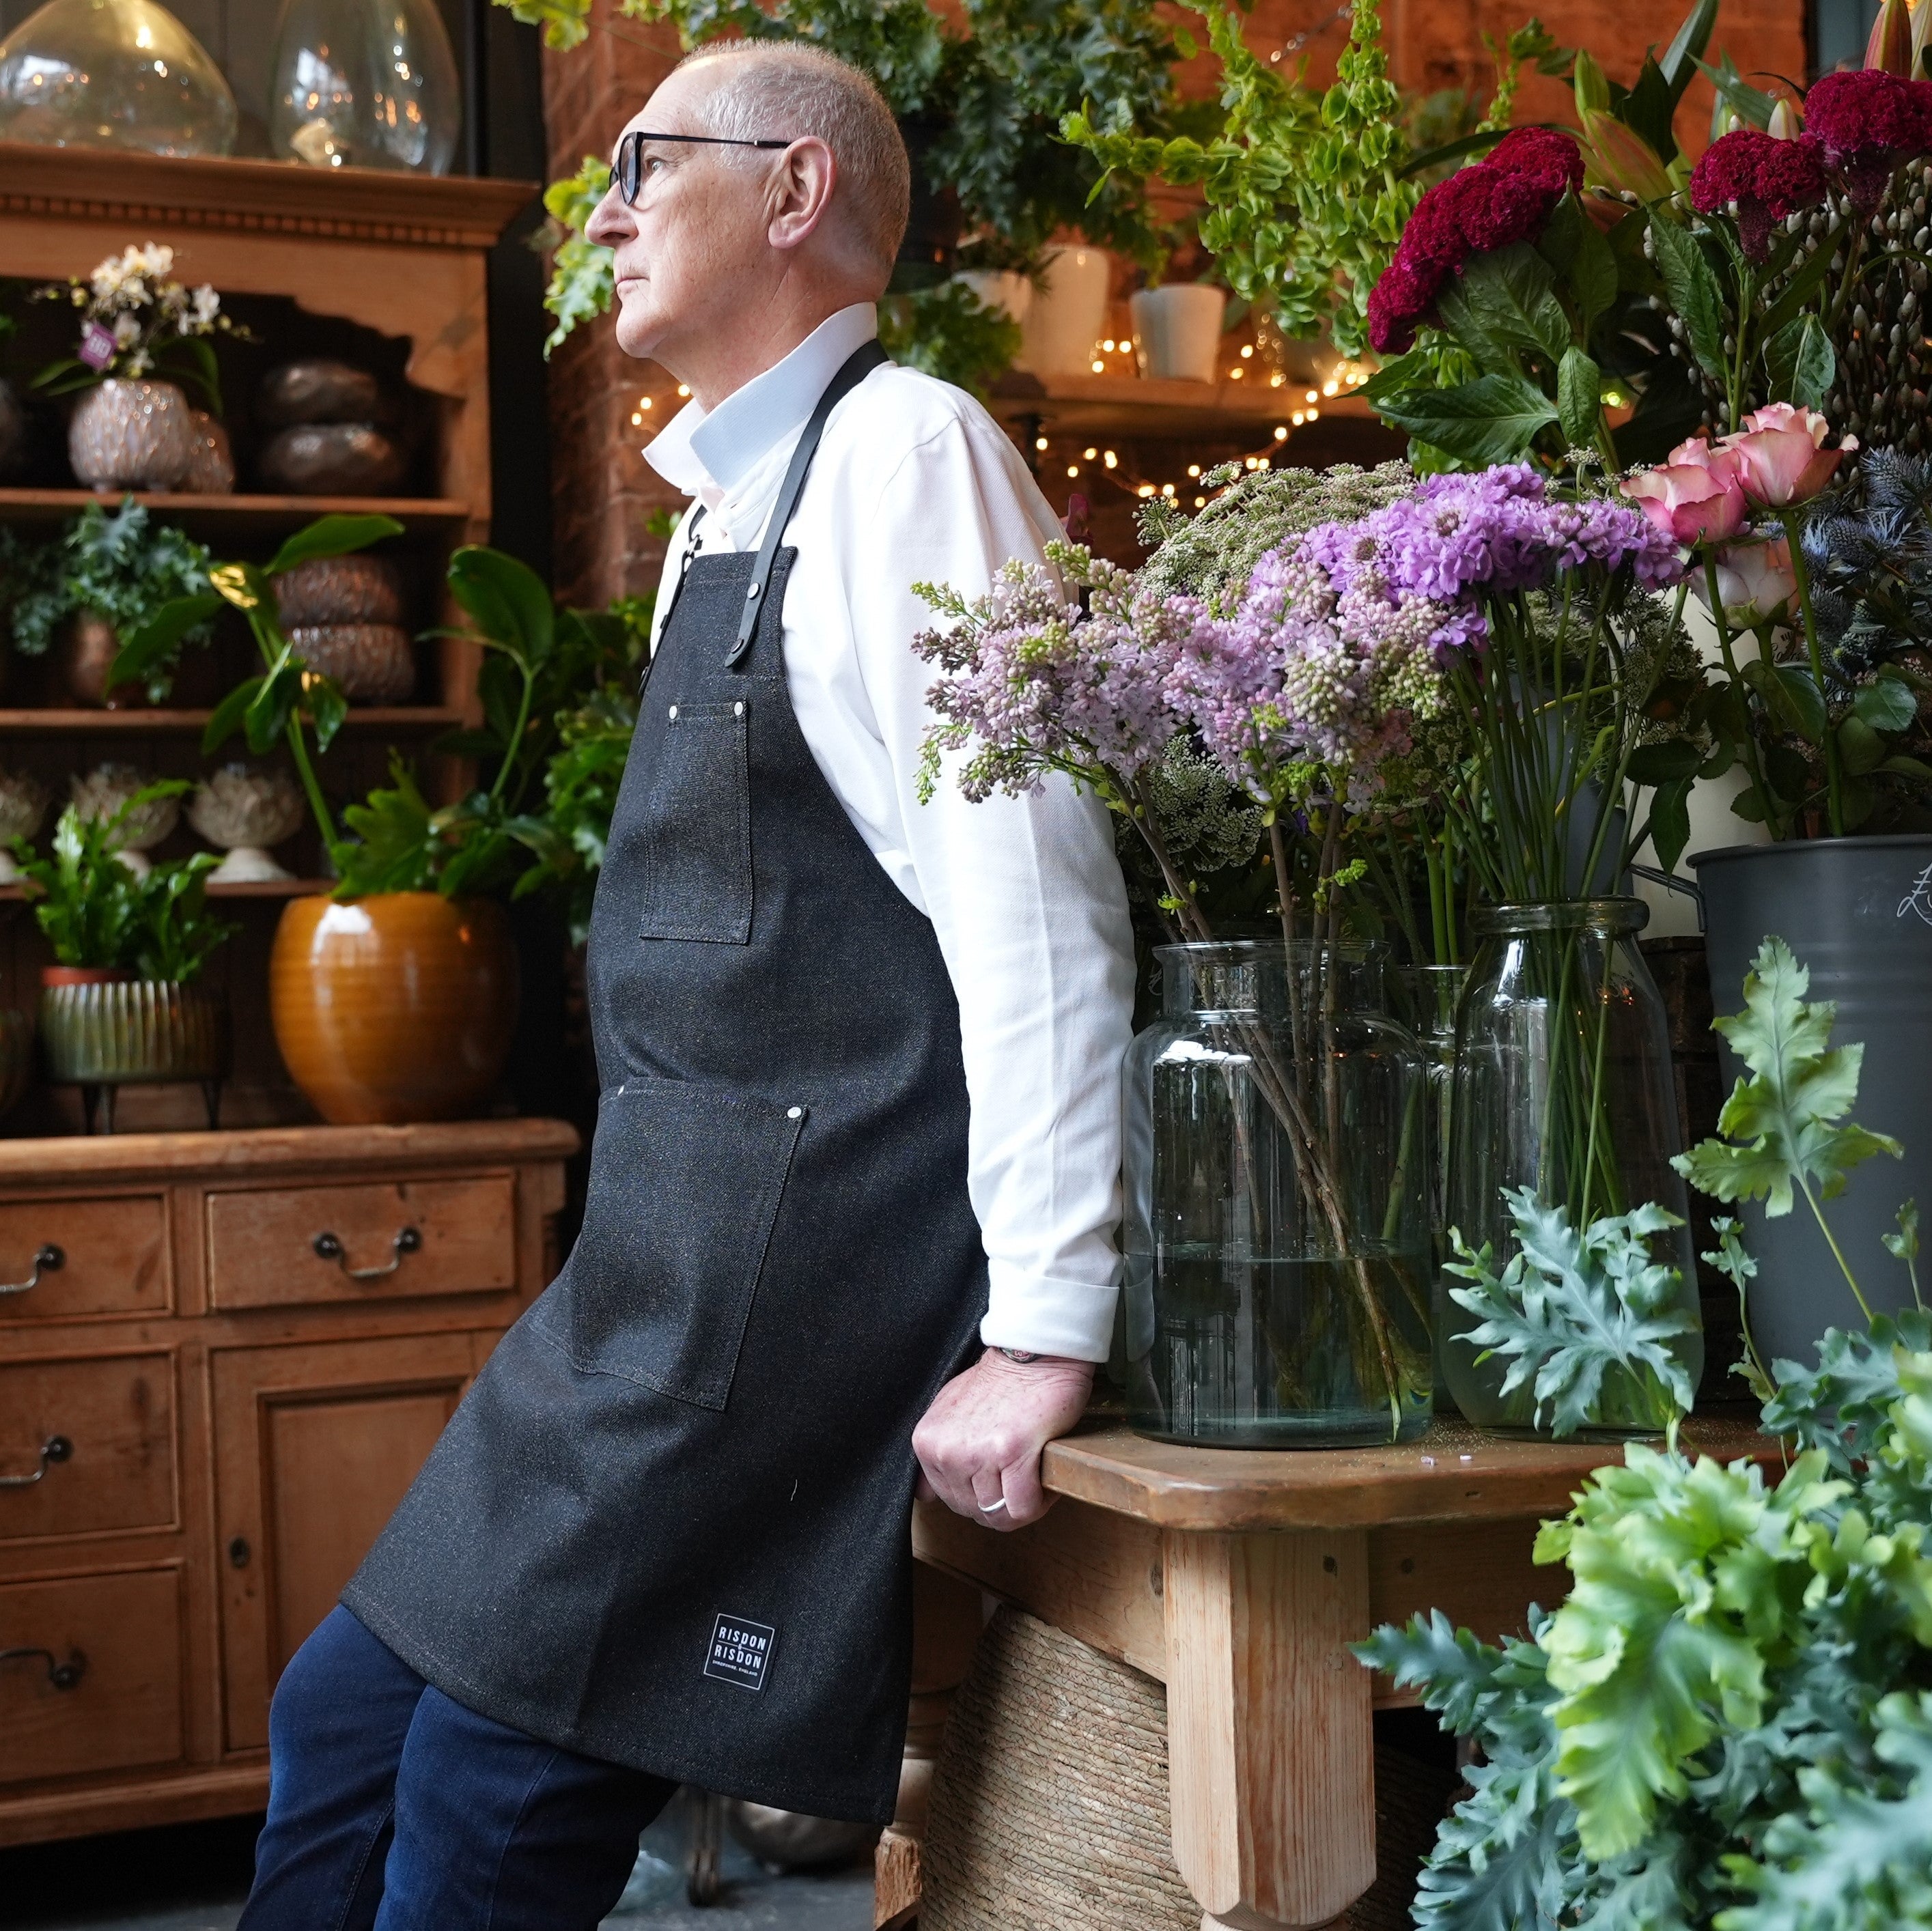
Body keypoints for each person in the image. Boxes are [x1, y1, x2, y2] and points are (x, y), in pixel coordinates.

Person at [238, 37, 1134, 1931]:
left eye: (651, 160)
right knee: (340, 1720)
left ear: (798, 195)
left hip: (792, 1262)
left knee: (491, 1797)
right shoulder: (727, 515)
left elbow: (1033, 905)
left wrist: (1047, 1318)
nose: (610, 203)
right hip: (648, 1261)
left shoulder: (914, 458)